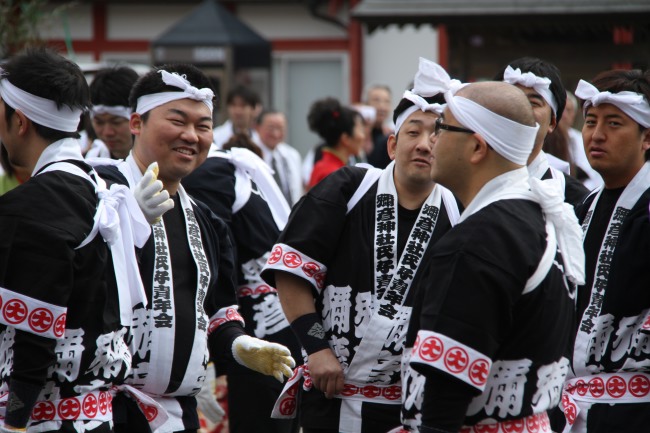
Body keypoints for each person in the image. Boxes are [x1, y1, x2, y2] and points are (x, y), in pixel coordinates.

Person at [262, 57, 461, 433]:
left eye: (437, 134)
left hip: (412, 406)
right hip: (332, 395)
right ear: (391, 145)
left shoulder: (459, 210)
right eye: (413, 132)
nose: (424, 145)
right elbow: (291, 273)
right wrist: (317, 348)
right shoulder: (349, 188)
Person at [93, 64, 295, 433]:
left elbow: (215, 311)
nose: (191, 135)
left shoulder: (205, 220)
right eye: (178, 120)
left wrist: (239, 346)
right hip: (107, 412)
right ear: (137, 123)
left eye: (202, 126)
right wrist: (127, 221)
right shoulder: (98, 193)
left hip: (178, 414)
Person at [400, 81, 585, 433]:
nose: (432, 140)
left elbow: (448, 385)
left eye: (442, 127)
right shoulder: (535, 216)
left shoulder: (479, 239)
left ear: (476, 147)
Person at [0, 47, 150, 433]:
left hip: (40, 419)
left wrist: (15, 420)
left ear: (19, 121)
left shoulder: (34, 204)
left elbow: (34, 329)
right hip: (96, 414)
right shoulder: (98, 187)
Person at [183, 137, 301, 433]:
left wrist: (206, 361)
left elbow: (207, 263)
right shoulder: (240, 169)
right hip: (281, 327)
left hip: (251, 336)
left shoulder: (209, 175)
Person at [561, 70, 650, 433]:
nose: (597, 135)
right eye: (591, 122)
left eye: (614, 124)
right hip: (572, 405)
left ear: (647, 137)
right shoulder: (580, 208)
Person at [495, 57, 589, 207]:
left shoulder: (575, 199)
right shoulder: (465, 183)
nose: (521, 109)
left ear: (552, 122)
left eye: (534, 103)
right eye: (511, 99)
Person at [306, 97, 366, 189]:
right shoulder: (334, 174)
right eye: (360, 130)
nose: (363, 136)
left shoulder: (328, 167)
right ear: (346, 139)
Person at [85, 66, 139, 160]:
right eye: (99, 122)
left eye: (116, 122)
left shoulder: (163, 166)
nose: (107, 132)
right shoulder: (89, 164)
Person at [254, 109, 304, 206]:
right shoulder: (251, 154)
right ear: (257, 128)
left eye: (280, 128)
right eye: (271, 128)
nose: (276, 134)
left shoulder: (292, 155)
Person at [563, 90, 603, 190]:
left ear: (573, 115)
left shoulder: (582, 138)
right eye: (561, 109)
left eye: (568, 110)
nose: (563, 115)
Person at [213, 84, 260, 149]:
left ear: (253, 109)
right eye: (233, 105)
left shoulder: (259, 140)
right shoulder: (215, 137)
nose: (237, 111)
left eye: (243, 105)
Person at [364, 84, 394, 168]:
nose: (382, 106)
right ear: (366, 104)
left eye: (386, 101)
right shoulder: (357, 136)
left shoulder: (391, 134)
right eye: (376, 101)